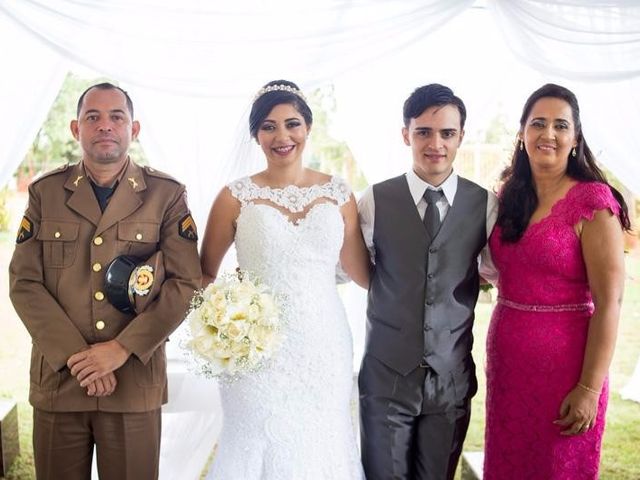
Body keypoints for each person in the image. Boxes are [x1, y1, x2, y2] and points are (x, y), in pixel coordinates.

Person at [9, 82, 202, 480]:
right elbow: (24, 282)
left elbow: (185, 283)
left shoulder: (165, 195)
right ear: (76, 129)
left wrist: (120, 349)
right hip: (60, 380)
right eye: (92, 117)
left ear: (134, 130)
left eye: (117, 116)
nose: (105, 125)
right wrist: (79, 359)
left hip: (132, 382)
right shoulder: (46, 193)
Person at [200, 79, 369, 479]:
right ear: (256, 135)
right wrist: (222, 322)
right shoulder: (234, 197)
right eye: (269, 126)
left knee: (322, 442)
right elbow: (205, 272)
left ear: (308, 128)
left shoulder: (338, 194)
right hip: (256, 349)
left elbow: (364, 274)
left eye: (292, 124)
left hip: (323, 347)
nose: (282, 136)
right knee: (255, 438)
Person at [484, 83, 629, 479]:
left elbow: (610, 301)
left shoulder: (594, 202)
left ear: (575, 138)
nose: (548, 134)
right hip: (508, 363)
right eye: (538, 123)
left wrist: (589, 389)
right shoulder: (506, 197)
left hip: (568, 371)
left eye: (560, 125)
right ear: (522, 133)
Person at [358, 83, 497, 480]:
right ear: (406, 135)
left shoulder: (485, 204)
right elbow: (355, 270)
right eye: (423, 132)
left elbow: (495, 272)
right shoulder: (373, 200)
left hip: (450, 380)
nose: (435, 143)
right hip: (386, 378)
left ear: (461, 137)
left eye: (447, 133)